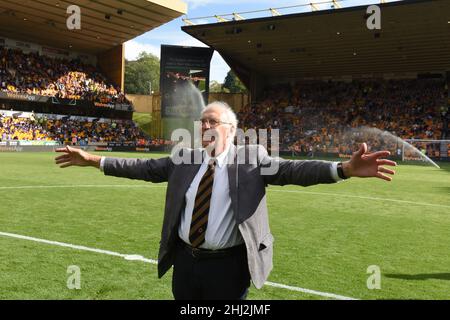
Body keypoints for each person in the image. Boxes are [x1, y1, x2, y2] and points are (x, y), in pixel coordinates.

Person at [54, 101, 396, 300]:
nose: (204, 124)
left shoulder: (251, 158)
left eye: (212, 120)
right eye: (201, 120)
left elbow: (295, 171)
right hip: (186, 265)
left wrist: (344, 169)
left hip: (228, 268)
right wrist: (94, 160)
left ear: (230, 129)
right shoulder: (184, 159)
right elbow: (142, 168)